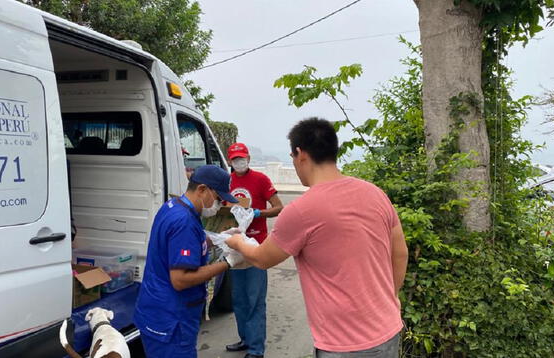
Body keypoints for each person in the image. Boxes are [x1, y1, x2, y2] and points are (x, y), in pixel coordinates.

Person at [226, 118, 409, 358]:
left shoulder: (302, 210)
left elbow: (262, 259)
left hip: (343, 344)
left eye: (292, 156)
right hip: (388, 329)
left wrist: (236, 241)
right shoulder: (375, 194)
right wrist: (390, 297)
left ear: (300, 154)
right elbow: (400, 252)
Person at [134, 165, 245, 358]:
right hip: (171, 319)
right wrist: (228, 262)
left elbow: (188, 244)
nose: (218, 206)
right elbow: (180, 279)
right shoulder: (183, 222)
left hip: (157, 310)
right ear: (202, 189)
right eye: (218, 199)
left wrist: (220, 238)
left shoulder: (174, 206)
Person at [224, 143, 284, 358]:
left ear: (248, 158)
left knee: (255, 299)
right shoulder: (227, 180)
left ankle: (257, 349)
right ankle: (245, 339)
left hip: (257, 246)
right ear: (229, 161)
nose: (239, 162)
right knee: (239, 299)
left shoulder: (260, 180)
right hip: (234, 244)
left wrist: (258, 213)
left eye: (242, 158)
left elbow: (279, 207)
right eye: (234, 159)